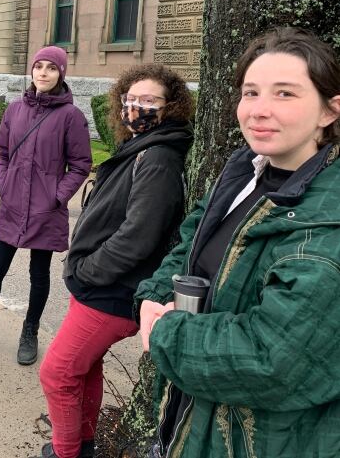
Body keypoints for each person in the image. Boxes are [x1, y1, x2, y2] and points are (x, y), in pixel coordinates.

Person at [136, 27, 340, 458]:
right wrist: (154, 294)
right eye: (250, 93)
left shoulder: (328, 221)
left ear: (329, 111)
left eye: (285, 94)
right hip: (189, 421)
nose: (259, 111)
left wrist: (165, 332)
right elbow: (192, 238)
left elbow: (274, 360)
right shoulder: (246, 171)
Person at [34, 64, 194, 458]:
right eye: (131, 99)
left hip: (112, 289)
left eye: (149, 100)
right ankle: (83, 442)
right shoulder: (140, 147)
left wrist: (88, 270)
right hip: (97, 285)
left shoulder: (158, 157)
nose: (137, 107)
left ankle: (66, 452)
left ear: (170, 106)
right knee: (84, 368)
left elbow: (139, 236)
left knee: (57, 372)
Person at [0, 46, 92, 366]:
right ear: (31, 71)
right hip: (13, 203)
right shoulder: (15, 110)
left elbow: (80, 164)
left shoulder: (70, 117)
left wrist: (57, 196)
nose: (43, 73)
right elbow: (0, 151)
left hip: (46, 209)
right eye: (38, 66)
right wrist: (1, 183)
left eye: (51, 68)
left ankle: (29, 331)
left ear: (61, 73)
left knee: (39, 274)